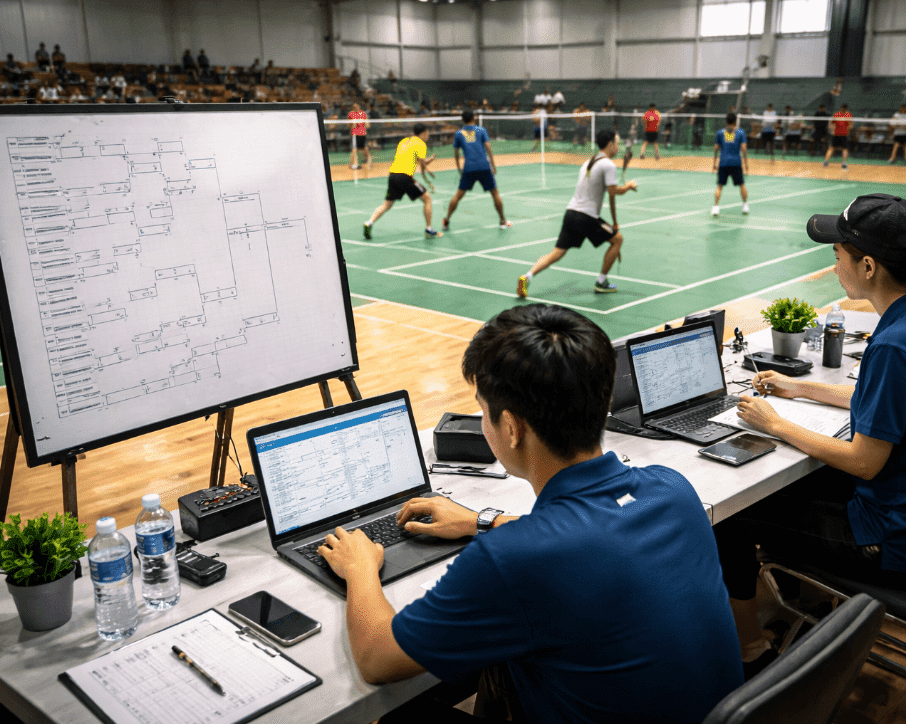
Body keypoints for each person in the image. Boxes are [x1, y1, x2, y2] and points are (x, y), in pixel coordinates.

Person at [318, 303, 744, 723]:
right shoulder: (671, 488)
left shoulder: (511, 558)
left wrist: (360, 568)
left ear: (512, 427)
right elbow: (594, 538)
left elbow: (377, 659)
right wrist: (478, 521)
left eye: (483, 411)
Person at [714, 192, 906, 677]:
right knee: (801, 484)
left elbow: (865, 462)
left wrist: (776, 423)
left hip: (899, 544)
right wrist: (798, 388)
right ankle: (810, 603)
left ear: (867, 266)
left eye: (837, 254)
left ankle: (751, 649)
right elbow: (887, 402)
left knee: (733, 521)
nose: (833, 263)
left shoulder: (898, 345)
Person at [517, 129, 636, 298]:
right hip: (586, 217)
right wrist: (628, 186)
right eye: (617, 143)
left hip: (571, 213)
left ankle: (527, 276)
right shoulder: (608, 165)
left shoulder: (589, 162)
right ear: (610, 145)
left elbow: (610, 195)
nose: (618, 146)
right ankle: (601, 282)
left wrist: (615, 222)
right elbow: (614, 190)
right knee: (618, 240)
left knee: (557, 252)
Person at [364, 123, 441, 240]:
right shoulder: (420, 144)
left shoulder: (404, 141)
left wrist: (426, 174)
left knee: (387, 204)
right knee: (427, 198)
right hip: (405, 177)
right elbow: (423, 162)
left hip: (393, 176)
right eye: (427, 133)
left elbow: (413, 161)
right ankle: (429, 229)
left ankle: (369, 222)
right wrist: (430, 160)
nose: (428, 135)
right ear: (423, 133)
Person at [440, 110, 511, 232]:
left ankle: (446, 220)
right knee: (495, 193)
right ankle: (503, 221)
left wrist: (458, 168)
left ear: (463, 120)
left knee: (458, 196)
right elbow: (488, 147)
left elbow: (456, 154)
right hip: (484, 166)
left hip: (469, 168)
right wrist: (493, 165)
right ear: (474, 118)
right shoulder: (481, 130)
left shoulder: (458, 134)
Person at [712, 112, 749, 217]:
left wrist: (714, 163)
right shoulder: (740, 132)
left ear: (726, 121)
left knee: (719, 186)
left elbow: (716, 148)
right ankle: (745, 206)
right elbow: (744, 149)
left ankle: (715, 207)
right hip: (736, 163)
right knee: (741, 185)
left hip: (723, 163)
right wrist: (746, 163)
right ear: (735, 121)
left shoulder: (720, 133)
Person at [824, 103, 852, 169]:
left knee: (840, 149)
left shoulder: (847, 115)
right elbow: (830, 123)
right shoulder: (838, 114)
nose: (843, 110)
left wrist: (847, 130)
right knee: (834, 148)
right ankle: (826, 161)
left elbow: (850, 125)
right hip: (837, 134)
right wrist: (832, 130)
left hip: (842, 134)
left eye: (844, 108)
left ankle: (843, 163)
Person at [347, 102, 372, 171]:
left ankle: (369, 161)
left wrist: (364, 122)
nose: (356, 107)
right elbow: (349, 125)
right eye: (354, 106)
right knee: (354, 149)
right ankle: (353, 164)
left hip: (362, 134)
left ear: (359, 106)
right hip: (355, 135)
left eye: (357, 106)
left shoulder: (363, 113)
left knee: (365, 149)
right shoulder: (351, 114)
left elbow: (368, 125)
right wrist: (353, 124)